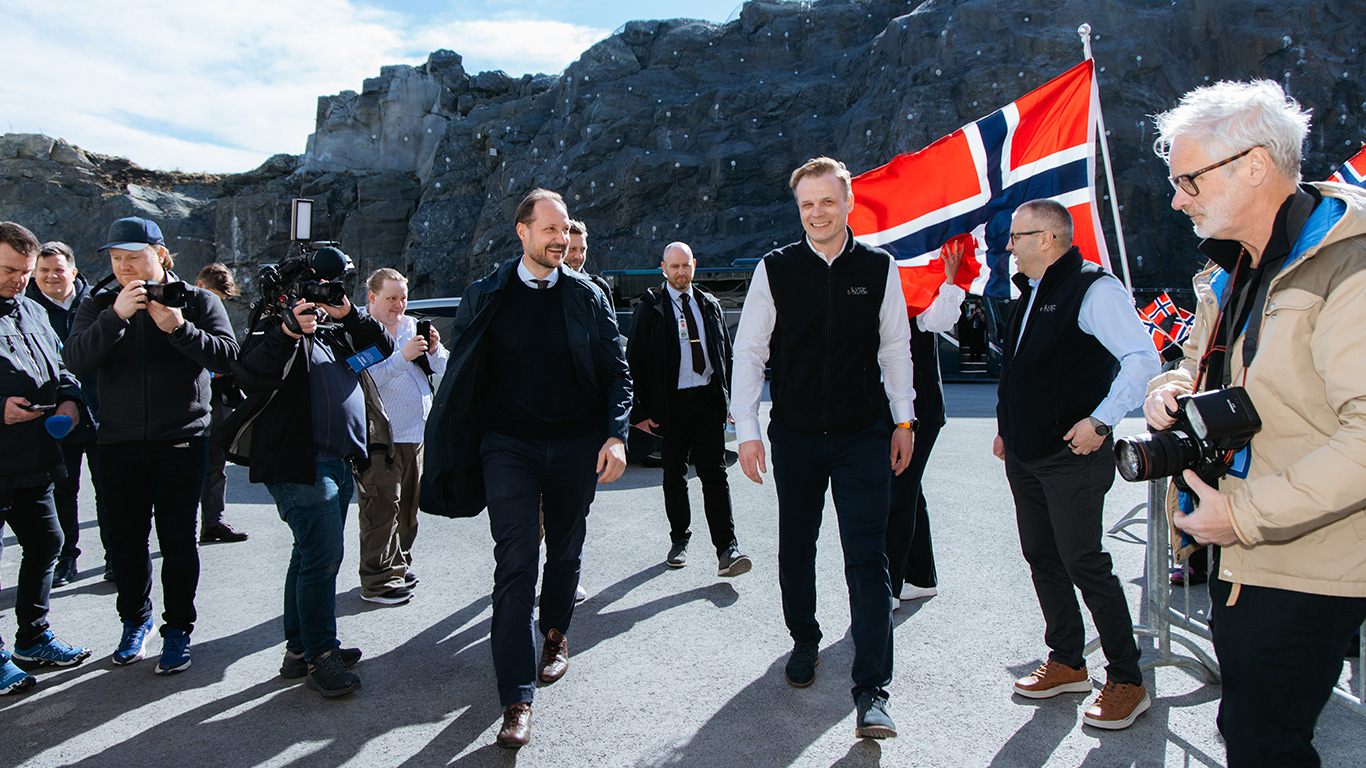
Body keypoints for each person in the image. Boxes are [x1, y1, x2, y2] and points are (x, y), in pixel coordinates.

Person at [1146, 80, 1366, 766]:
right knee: (1250, 732)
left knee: (1265, 743)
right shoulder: (1230, 272)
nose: (1177, 198)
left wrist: (1242, 515)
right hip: (1247, 556)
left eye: (1188, 179)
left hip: (1307, 562)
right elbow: (1200, 365)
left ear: (1253, 165)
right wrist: (1172, 385)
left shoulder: (1346, 262)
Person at [420, 189, 631, 749]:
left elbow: (616, 372)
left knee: (565, 550)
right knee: (515, 562)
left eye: (566, 232)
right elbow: (463, 378)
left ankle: (556, 633)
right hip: (507, 447)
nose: (561, 240)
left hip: (575, 447)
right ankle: (516, 696)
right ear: (522, 230)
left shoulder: (589, 296)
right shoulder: (485, 295)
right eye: (551, 230)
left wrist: (615, 434)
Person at [732, 157, 914, 740]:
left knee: (867, 557)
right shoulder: (775, 268)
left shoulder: (879, 268)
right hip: (797, 436)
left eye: (827, 201)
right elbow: (750, 353)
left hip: (864, 435)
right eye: (807, 204)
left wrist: (904, 421)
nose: (817, 213)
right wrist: (748, 430)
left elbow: (895, 349)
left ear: (848, 201)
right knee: (797, 545)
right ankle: (804, 641)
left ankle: (873, 690)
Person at [993, 199, 1159, 730]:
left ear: (1047, 239)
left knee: (1084, 562)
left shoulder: (1094, 288)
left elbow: (1141, 359)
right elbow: (1022, 370)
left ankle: (1128, 681)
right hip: (1026, 454)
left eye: (1015, 237)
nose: (1008, 247)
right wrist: (1007, 427)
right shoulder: (1032, 291)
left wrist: (1103, 421)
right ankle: (1066, 660)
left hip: (1072, 455)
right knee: (1042, 556)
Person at [64, 216, 238, 675]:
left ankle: (178, 629)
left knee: (178, 541)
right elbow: (76, 359)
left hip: (182, 439)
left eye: (133, 257)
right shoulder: (100, 302)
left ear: (161, 255)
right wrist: (115, 317)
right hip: (117, 442)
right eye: (116, 259)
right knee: (125, 542)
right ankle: (133, 622)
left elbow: (227, 358)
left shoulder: (197, 300)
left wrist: (179, 328)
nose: (123, 267)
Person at [221, 250, 390, 699]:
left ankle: (299, 651)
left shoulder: (335, 329)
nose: (325, 295)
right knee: (322, 555)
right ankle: (321, 656)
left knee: (308, 555)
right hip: (299, 462)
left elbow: (380, 349)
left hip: (336, 458)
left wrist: (349, 314)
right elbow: (248, 372)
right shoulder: (274, 322)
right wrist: (287, 330)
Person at [0, 221, 92, 693]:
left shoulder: (32, 312)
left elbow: (61, 367)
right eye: (9, 270)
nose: (17, 279)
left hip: (33, 456)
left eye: (23, 271)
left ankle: (32, 638)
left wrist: (71, 399)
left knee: (46, 544)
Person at [627, 241, 750, 576]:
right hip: (671, 406)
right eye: (674, 267)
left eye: (686, 266)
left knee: (715, 474)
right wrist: (641, 411)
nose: (681, 272)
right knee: (674, 475)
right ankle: (679, 539)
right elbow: (634, 361)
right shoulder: (651, 308)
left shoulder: (709, 304)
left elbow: (725, 355)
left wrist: (730, 401)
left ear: (694, 265)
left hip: (708, 400)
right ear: (663, 268)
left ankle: (728, 549)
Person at [354, 267, 448, 605]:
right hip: (378, 435)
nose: (399, 305)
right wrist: (401, 356)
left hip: (415, 434)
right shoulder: (360, 329)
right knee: (380, 508)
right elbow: (362, 377)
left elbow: (445, 370)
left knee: (408, 508)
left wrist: (435, 351)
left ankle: (398, 563)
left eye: (403, 298)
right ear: (372, 297)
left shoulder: (412, 325)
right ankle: (377, 581)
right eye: (391, 298)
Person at [887, 241, 966, 606]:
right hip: (895, 410)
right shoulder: (883, 298)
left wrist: (949, 281)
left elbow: (941, 319)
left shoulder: (914, 293)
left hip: (920, 412)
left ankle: (889, 584)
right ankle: (921, 576)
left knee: (899, 492)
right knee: (909, 489)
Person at [25, 241, 103, 585]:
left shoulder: (99, 305)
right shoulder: (25, 310)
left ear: (73, 271)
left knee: (112, 491)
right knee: (63, 491)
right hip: (57, 420)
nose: (51, 277)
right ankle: (66, 558)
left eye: (58, 269)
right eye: (43, 271)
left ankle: (116, 556)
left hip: (105, 415)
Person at [194, 263, 248, 544]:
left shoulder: (220, 311)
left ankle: (213, 521)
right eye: (216, 297)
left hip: (220, 395)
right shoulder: (186, 308)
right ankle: (185, 526)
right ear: (201, 287)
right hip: (191, 397)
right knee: (189, 464)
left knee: (216, 461)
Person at [564, 219, 612, 303]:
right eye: (572, 249)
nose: (578, 256)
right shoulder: (548, 285)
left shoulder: (599, 286)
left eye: (583, 250)